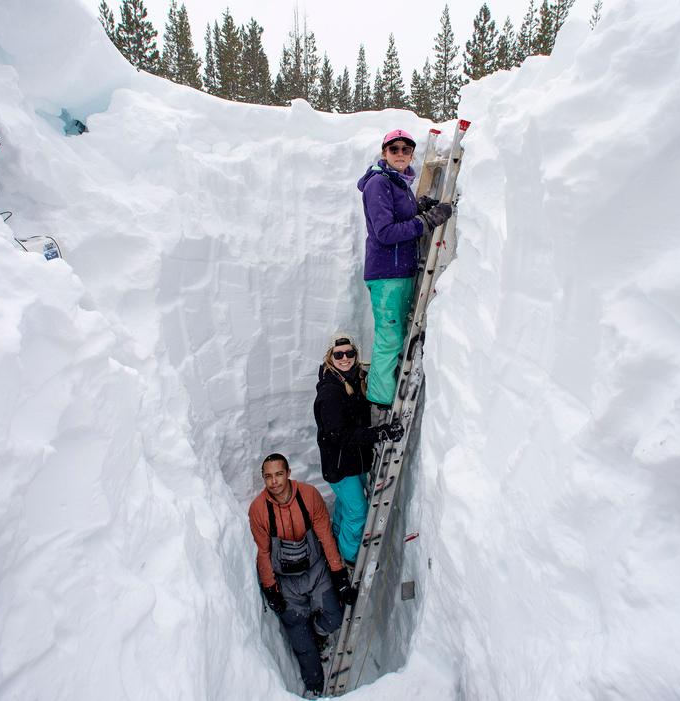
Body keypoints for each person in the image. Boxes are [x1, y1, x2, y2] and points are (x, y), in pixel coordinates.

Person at [357, 128, 454, 407]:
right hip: (387, 274)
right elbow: (385, 231)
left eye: (406, 149)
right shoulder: (379, 183)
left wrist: (419, 206)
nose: (401, 154)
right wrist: (426, 222)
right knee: (389, 340)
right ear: (384, 152)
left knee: (395, 336)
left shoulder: (397, 183)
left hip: (399, 272)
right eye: (394, 149)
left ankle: (383, 394)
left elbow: (397, 213)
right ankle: (380, 403)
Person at [248, 453, 357, 697]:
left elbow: (326, 537)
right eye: (268, 477)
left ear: (288, 473)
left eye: (278, 474)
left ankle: (318, 632)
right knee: (301, 642)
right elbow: (263, 552)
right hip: (286, 580)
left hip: (316, 570)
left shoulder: (308, 496)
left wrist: (338, 575)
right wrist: (270, 589)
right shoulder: (258, 509)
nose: (274, 481)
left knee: (335, 616)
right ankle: (315, 686)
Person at [314, 333, 404, 565]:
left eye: (349, 353)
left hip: (354, 462)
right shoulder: (330, 392)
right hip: (341, 467)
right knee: (358, 513)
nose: (345, 358)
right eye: (338, 354)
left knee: (346, 507)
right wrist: (380, 433)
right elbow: (339, 436)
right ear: (329, 357)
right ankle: (349, 559)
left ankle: (337, 541)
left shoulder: (353, 377)